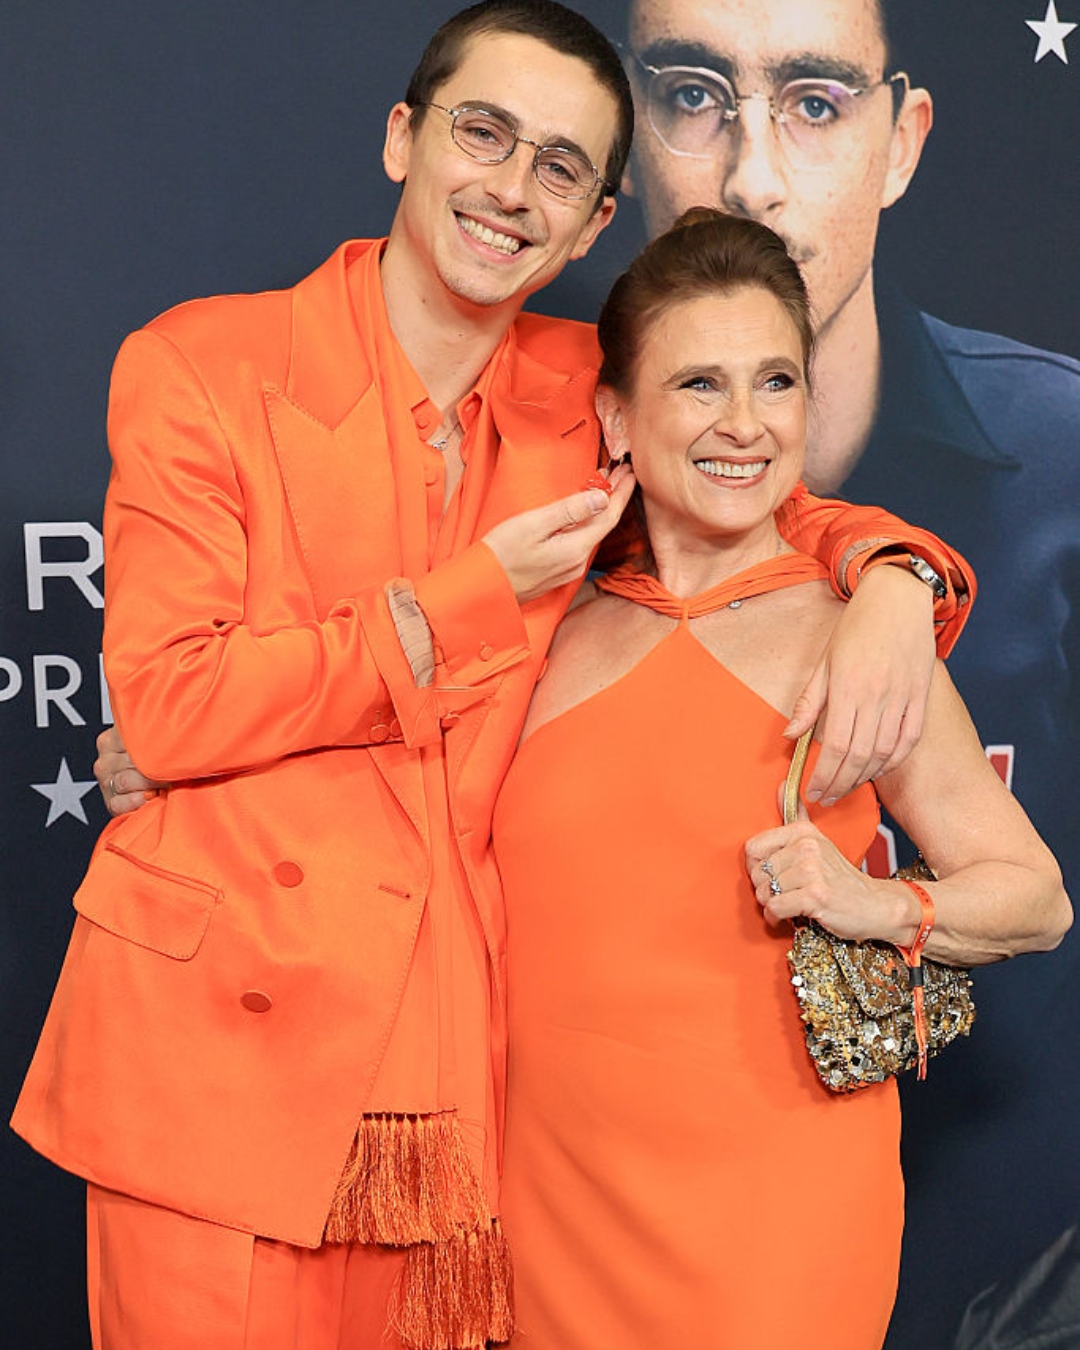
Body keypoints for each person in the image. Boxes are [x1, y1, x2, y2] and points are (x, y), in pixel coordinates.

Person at [13, 4, 975, 1348]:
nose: (513, 187)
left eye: (562, 167)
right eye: (484, 133)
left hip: (455, 1090)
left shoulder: (585, 392)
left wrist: (893, 577)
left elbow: (746, 471)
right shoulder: (205, 366)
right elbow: (170, 710)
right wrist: (460, 600)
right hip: (222, 1055)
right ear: (403, 138)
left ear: (593, 225)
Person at [492, 207, 1071, 1350]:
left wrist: (876, 906)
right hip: (551, 1210)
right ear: (616, 416)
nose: (746, 425)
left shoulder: (855, 635)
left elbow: (1035, 898)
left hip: (777, 1218)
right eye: (699, 384)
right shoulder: (548, 629)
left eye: (777, 382)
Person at [611, 0, 1080, 1336]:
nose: (752, 176)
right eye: (692, 95)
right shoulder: (536, 475)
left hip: (1015, 1280)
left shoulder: (1063, 457)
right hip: (649, 1266)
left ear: (902, 140)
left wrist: (898, 574)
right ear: (628, 132)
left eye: (814, 104)